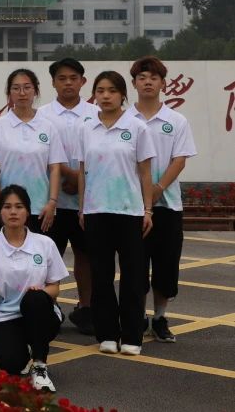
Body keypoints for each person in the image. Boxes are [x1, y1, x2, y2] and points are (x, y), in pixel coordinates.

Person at [77, 70, 156, 356]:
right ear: (94, 95)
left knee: (133, 276)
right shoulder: (86, 128)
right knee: (101, 276)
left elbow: (145, 173)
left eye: (112, 90)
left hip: (129, 211)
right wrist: (82, 208)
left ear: (123, 94)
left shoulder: (137, 127)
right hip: (96, 211)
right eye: (100, 91)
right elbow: (83, 171)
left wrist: (147, 209)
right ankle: (107, 334)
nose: (106, 96)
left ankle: (133, 335)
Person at [0, 185, 69, 393]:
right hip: (7, 316)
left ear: (28, 211)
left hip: (40, 312)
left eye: (19, 206)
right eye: (7, 207)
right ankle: (25, 348)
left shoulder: (45, 244)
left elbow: (55, 287)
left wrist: (41, 293)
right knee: (10, 365)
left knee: (34, 299)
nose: (13, 212)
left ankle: (40, 366)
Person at [128, 56, 196, 343]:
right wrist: (143, 193)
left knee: (166, 265)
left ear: (163, 84)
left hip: (167, 205)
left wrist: (157, 188)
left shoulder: (176, 121)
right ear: (134, 83)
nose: (147, 82)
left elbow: (180, 159)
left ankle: (159, 317)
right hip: (131, 206)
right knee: (135, 265)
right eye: (142, 78)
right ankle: (137, 317)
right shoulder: (124, 119)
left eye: (153, 78)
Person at [36, 58, 100, 335]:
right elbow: (43, 154)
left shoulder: (97, 113)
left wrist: (79, 180)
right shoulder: (42, 115)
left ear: (83, 81)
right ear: (53, 82)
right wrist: (70, 176)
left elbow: (101, 152)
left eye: (73, 78)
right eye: (62, 78)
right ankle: (48, 308)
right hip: (52, 201)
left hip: (88, 202)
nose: (68, 83)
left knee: (86, 256)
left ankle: (86, 308)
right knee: (49, 257)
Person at [0, 68, 66, 236]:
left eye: (27, 87)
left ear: (35, 91)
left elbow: (55, 168)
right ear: (9, 93)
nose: (22, 93)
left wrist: (52, 202)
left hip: (40, 208)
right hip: (6, 209)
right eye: (16, 88)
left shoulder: (48, 126)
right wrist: (0, 201)